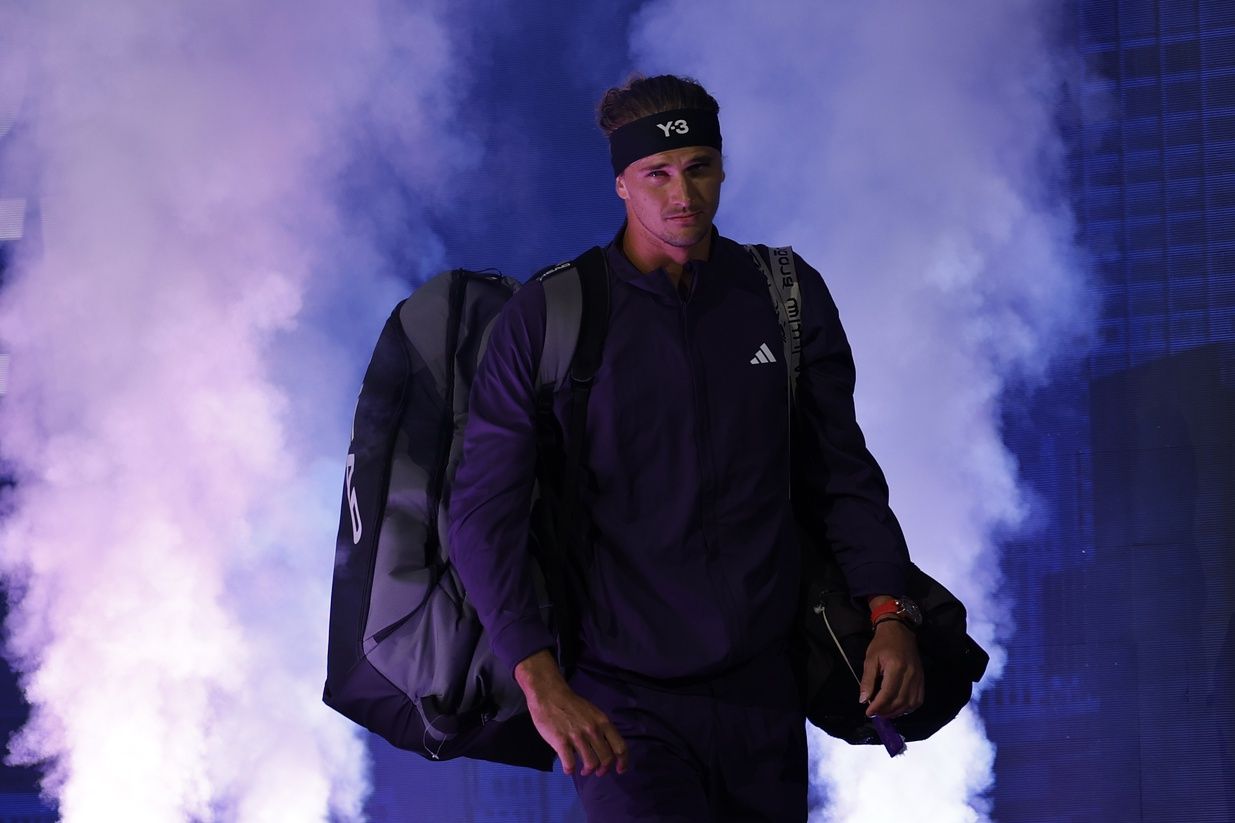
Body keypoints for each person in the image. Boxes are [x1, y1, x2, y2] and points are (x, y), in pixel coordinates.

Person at [448, 74, 923, 822]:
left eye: (699, 167)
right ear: (620, 183)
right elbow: (480, 515)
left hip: (764, 690)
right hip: (620, 696)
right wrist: (540, 679)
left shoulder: (784, 297)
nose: (683, 194)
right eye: (656, 174)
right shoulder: (550, 317)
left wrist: (891, 613)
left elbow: (841, 475)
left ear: (722, 168)